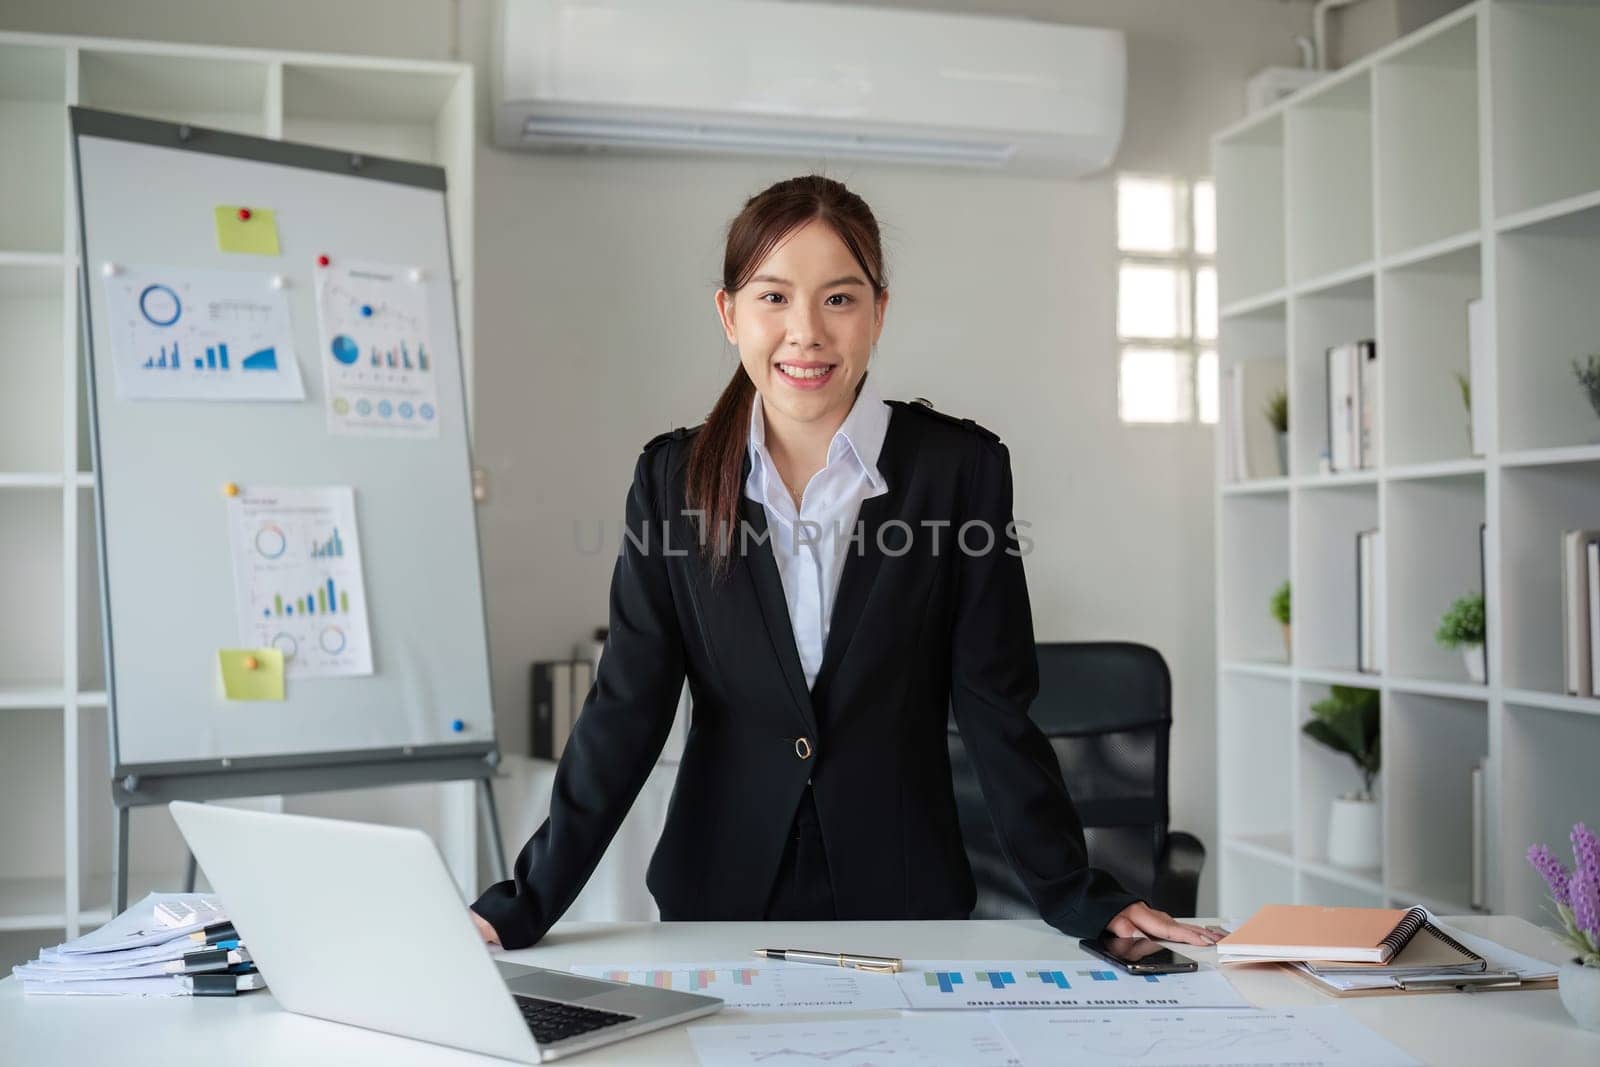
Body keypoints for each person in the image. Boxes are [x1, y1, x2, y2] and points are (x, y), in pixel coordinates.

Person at [469, 175, 1216, 951]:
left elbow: (995, 706)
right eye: (773, 298)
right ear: (728, 314)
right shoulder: (672, 482)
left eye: (838, 298)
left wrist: (1077, 892)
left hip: (904, 898)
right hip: (717, 899)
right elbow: (627, 710)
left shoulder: (958, 471)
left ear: (878, 312)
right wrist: (519, 905)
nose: (806, 333)